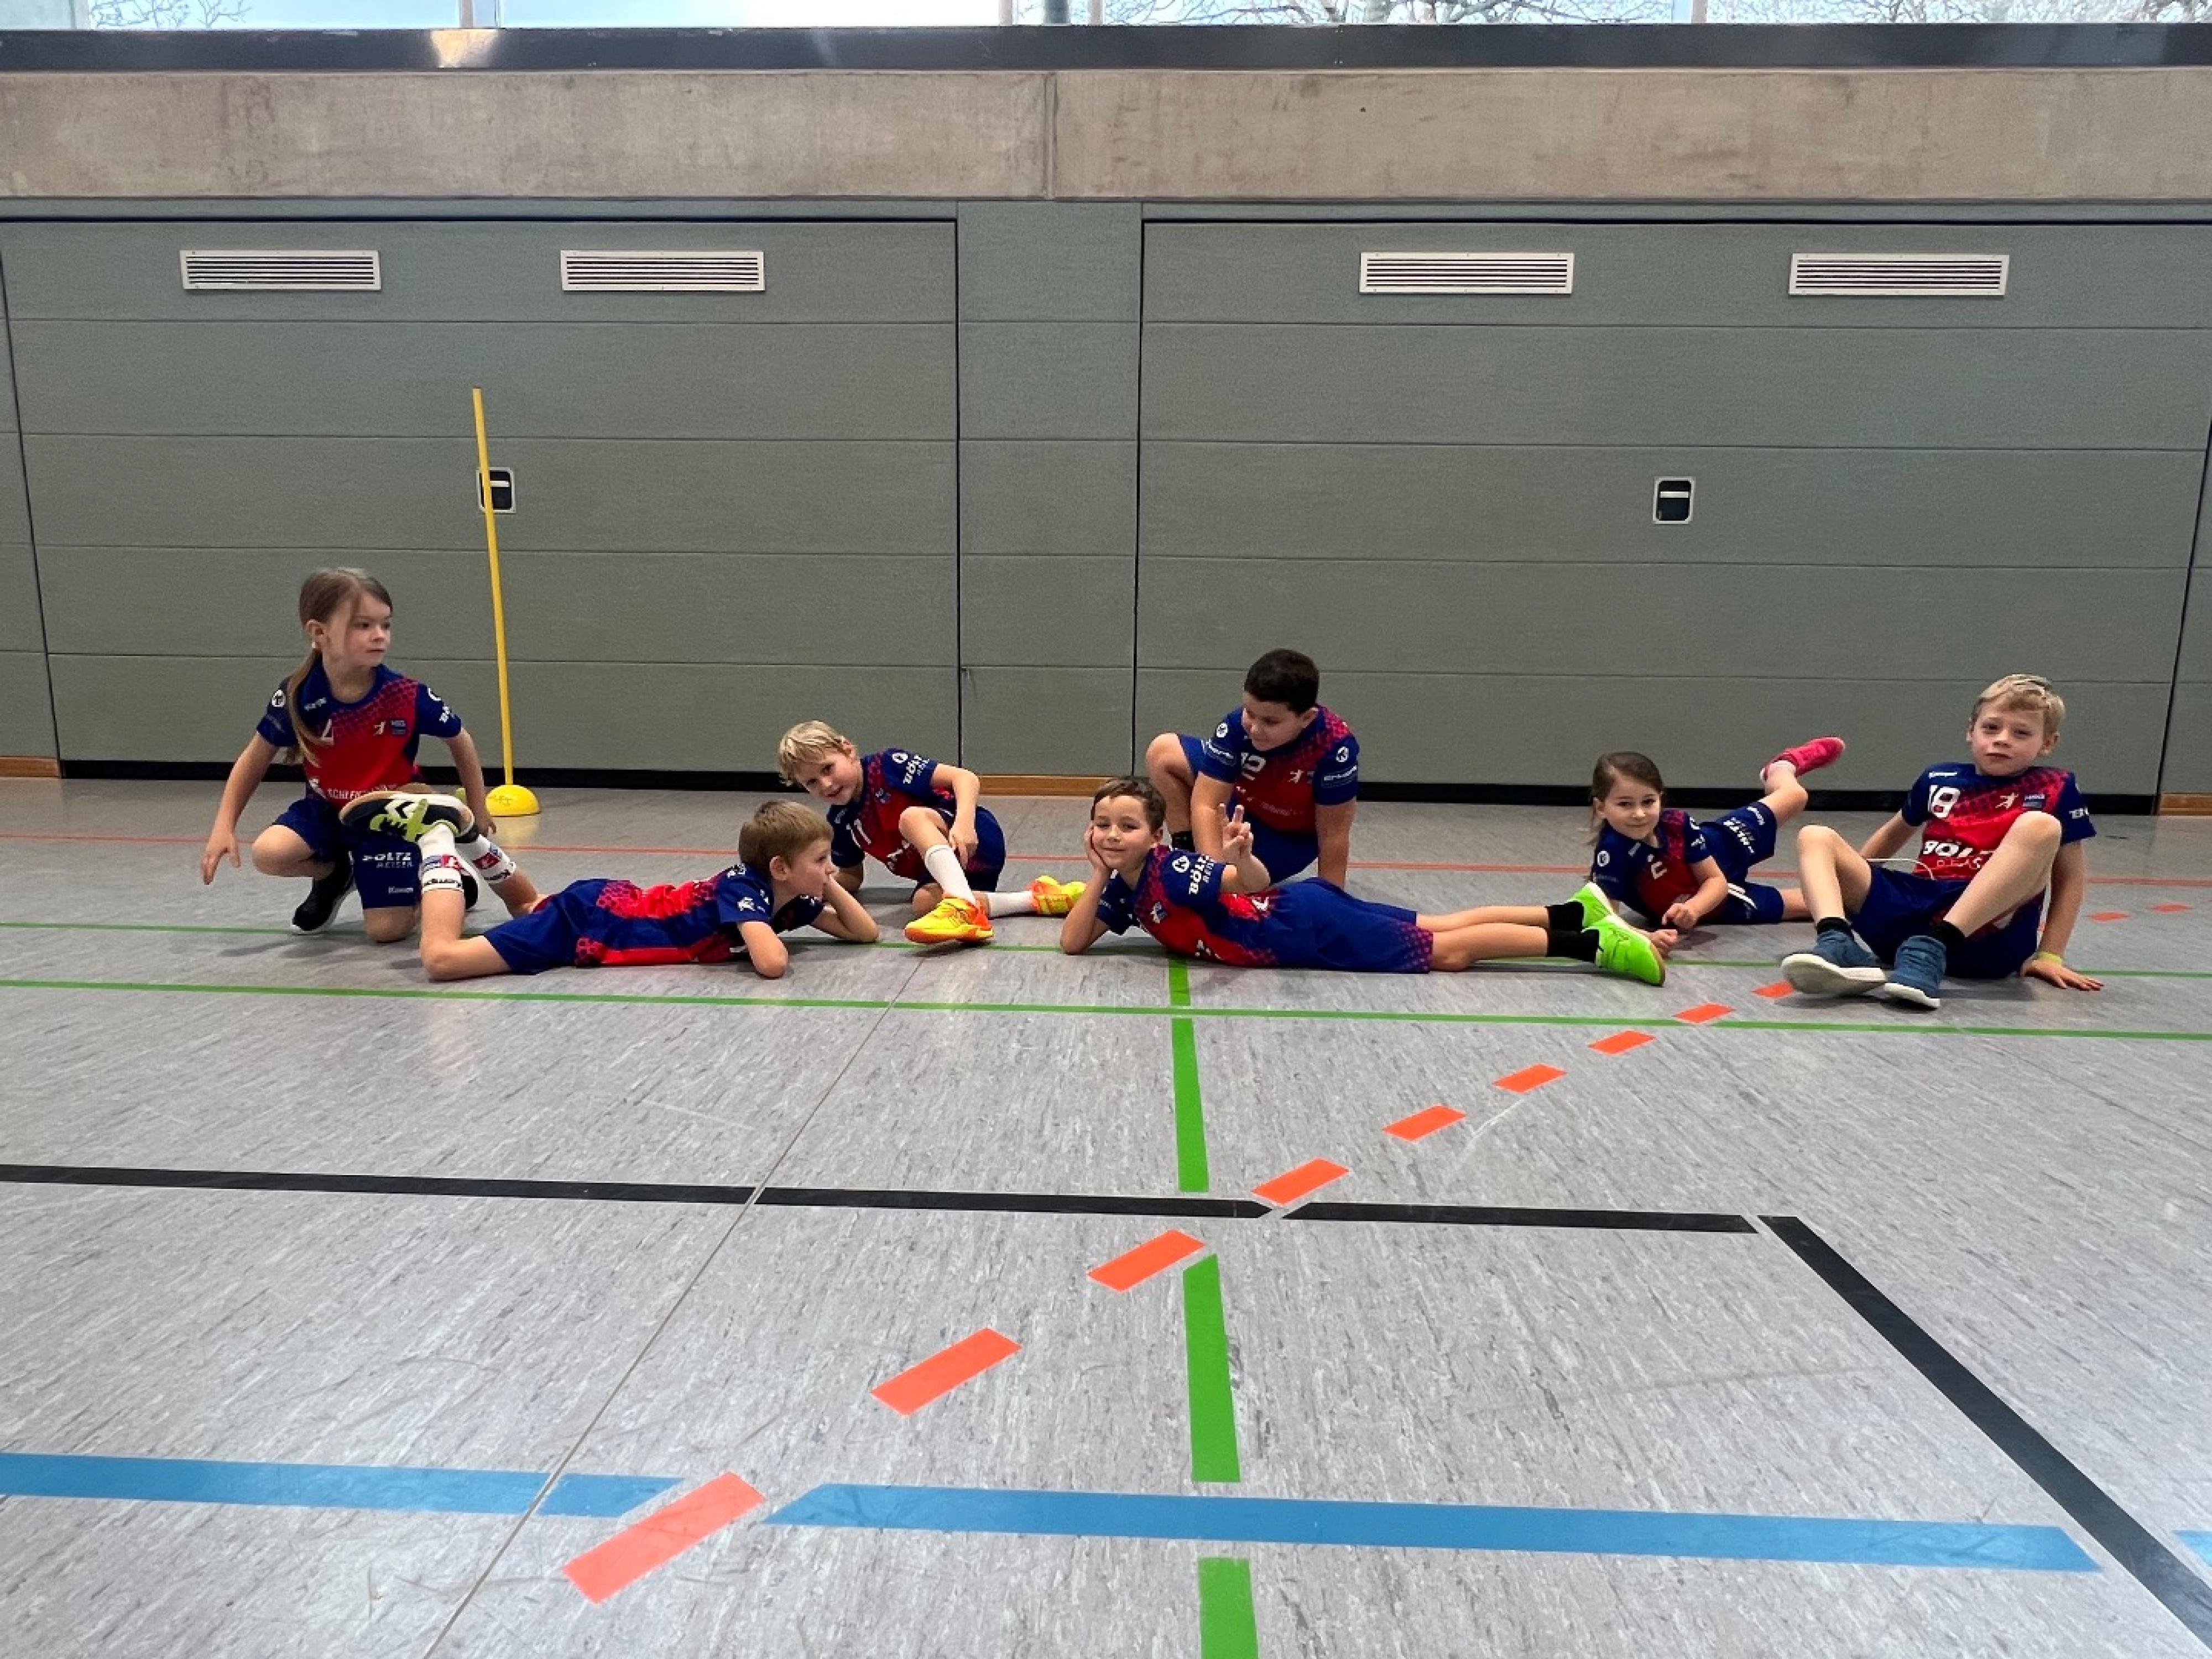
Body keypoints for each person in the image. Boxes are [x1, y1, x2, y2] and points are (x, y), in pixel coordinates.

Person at [1060, 776, 1668, 983]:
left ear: (1155, 836)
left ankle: (1593, 945)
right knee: (1443, 925)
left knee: (1450, 953)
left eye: (1127, 826)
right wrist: (1096, 875)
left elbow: (1240, 885)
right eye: (1103, 825)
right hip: (1305, 913)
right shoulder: (1124, 888)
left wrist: (1241, 859)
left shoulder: (1171, 871)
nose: (1112, 835)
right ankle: (1571, 911)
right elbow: (1074, 942)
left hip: (1303, 928)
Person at [197, 567, 536, 938]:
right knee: (269, 854)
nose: (379, 635)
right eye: (363, 626)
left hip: (389, 817)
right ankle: (336, 873)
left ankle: (441, 876)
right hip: (326, 812)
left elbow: (461, 740)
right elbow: (254, 759)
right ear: (319, 633)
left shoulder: (404, 694)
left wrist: (478, 807)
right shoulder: (299, 694)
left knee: (386, 932)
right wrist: (223, 826)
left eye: (385, 625)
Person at [1780, 675, 2102, 1010]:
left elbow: (2069, 879)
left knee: (2040, 826)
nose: (2002, 740)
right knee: (1815, 836)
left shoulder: (2055, 787)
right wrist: (1842, 892)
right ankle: (1837, 942)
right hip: (1909, 921)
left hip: (1983, 933)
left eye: (2021, 733)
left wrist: (2050, 955)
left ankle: (1935, 947)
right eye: (1991, 728)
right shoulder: (1939, 778)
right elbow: (1889, 836)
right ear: (1971, 730)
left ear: (2047, 743)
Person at [363, 795, 876, 982]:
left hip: (607, 907)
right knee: (442, 960)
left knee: (529, 906)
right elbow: (772, 963)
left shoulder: (790, 897)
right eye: (821, 860)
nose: (831, 868)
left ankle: (472, 840)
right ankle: (437, 838)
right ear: (780, 868)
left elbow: (864, 933)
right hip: (593, 922)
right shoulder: (746, 889)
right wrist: (822, 886)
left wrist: (827, 883)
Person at [776, 720, 1081, 948]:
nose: (826, 785)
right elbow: (852, 877)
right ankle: (1036, 899)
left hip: (973, 838)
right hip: (951, 872)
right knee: (922, 904)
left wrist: (964, 823)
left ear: (848, 750)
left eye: (827, 769)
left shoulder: (887, 766)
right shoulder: (841, 821)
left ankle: (963, 908)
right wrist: (808, 885)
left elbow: (965, 778)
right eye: (812, 783)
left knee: (911, 818)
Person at [1144, 648, 1359, 888]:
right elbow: (1207, 804)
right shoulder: (1237, 725)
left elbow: (1333, 835)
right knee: (1163, 752)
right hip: (1240, 808)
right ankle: (1187, 853)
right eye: (1250, 713)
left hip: (1286, 838)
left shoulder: (1334, 746)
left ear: (1306, 718)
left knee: (1246, 883)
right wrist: (1211, 878)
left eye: (1270, 722)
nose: (1255, 729)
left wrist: (1331, 900)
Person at [1589, 738, 1844, 933]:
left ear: (1661, 799)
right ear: (1601, 808)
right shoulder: (1611, 853)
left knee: (1796, 797)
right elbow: (1607, 919)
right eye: (1625, 804)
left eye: (1648, 802)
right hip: (1722, 905)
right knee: (1827, 904)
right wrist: (1649, 938)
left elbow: (1714, 879)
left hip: (1723, 847)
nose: (1639, 814)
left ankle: (1780, 768)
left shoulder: (1677, 824)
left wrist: (1693, 908)